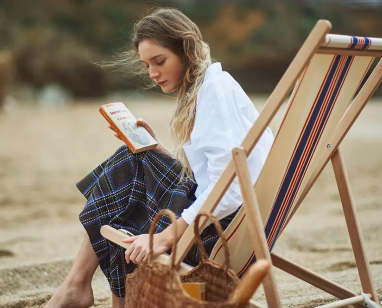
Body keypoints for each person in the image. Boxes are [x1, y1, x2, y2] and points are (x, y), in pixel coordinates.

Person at [44, 7, 274, 308]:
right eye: (147, 64)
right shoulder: (211, 88)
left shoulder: (214, 93)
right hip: (232, 220)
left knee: (130, 171)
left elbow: (229, 189)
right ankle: (83, 289)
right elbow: (219, 177)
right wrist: (159, 152)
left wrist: (166, 237)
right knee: (136, 159)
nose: (152, 73)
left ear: (186, 50)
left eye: (160, 61)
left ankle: (79, 287)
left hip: (219, 232)